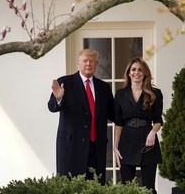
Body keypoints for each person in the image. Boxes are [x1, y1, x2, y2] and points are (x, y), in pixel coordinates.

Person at [48, 48, 114, 185]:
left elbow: (114, 114)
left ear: (96, 65)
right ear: (78, 64)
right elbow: (52, 107)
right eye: (85, 61)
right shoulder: (65, 82)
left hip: (96, 147)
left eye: (92, 61)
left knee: (95, 186)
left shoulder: (104, 88)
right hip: (71, 146)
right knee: (71, 186)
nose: (88, 64)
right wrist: (59, 99)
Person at [114, 57, 163, 194]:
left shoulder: (155, 93)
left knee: (149, 188)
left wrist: (153, 132)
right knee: (127, 187)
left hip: (148, 142)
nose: (137, 72)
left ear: (145, 73)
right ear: (129, 73)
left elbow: (158, 120)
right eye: (133, 69)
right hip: (126, 142)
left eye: (140, 70)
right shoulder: (120, 94)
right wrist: (115, 147)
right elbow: (118, 123)